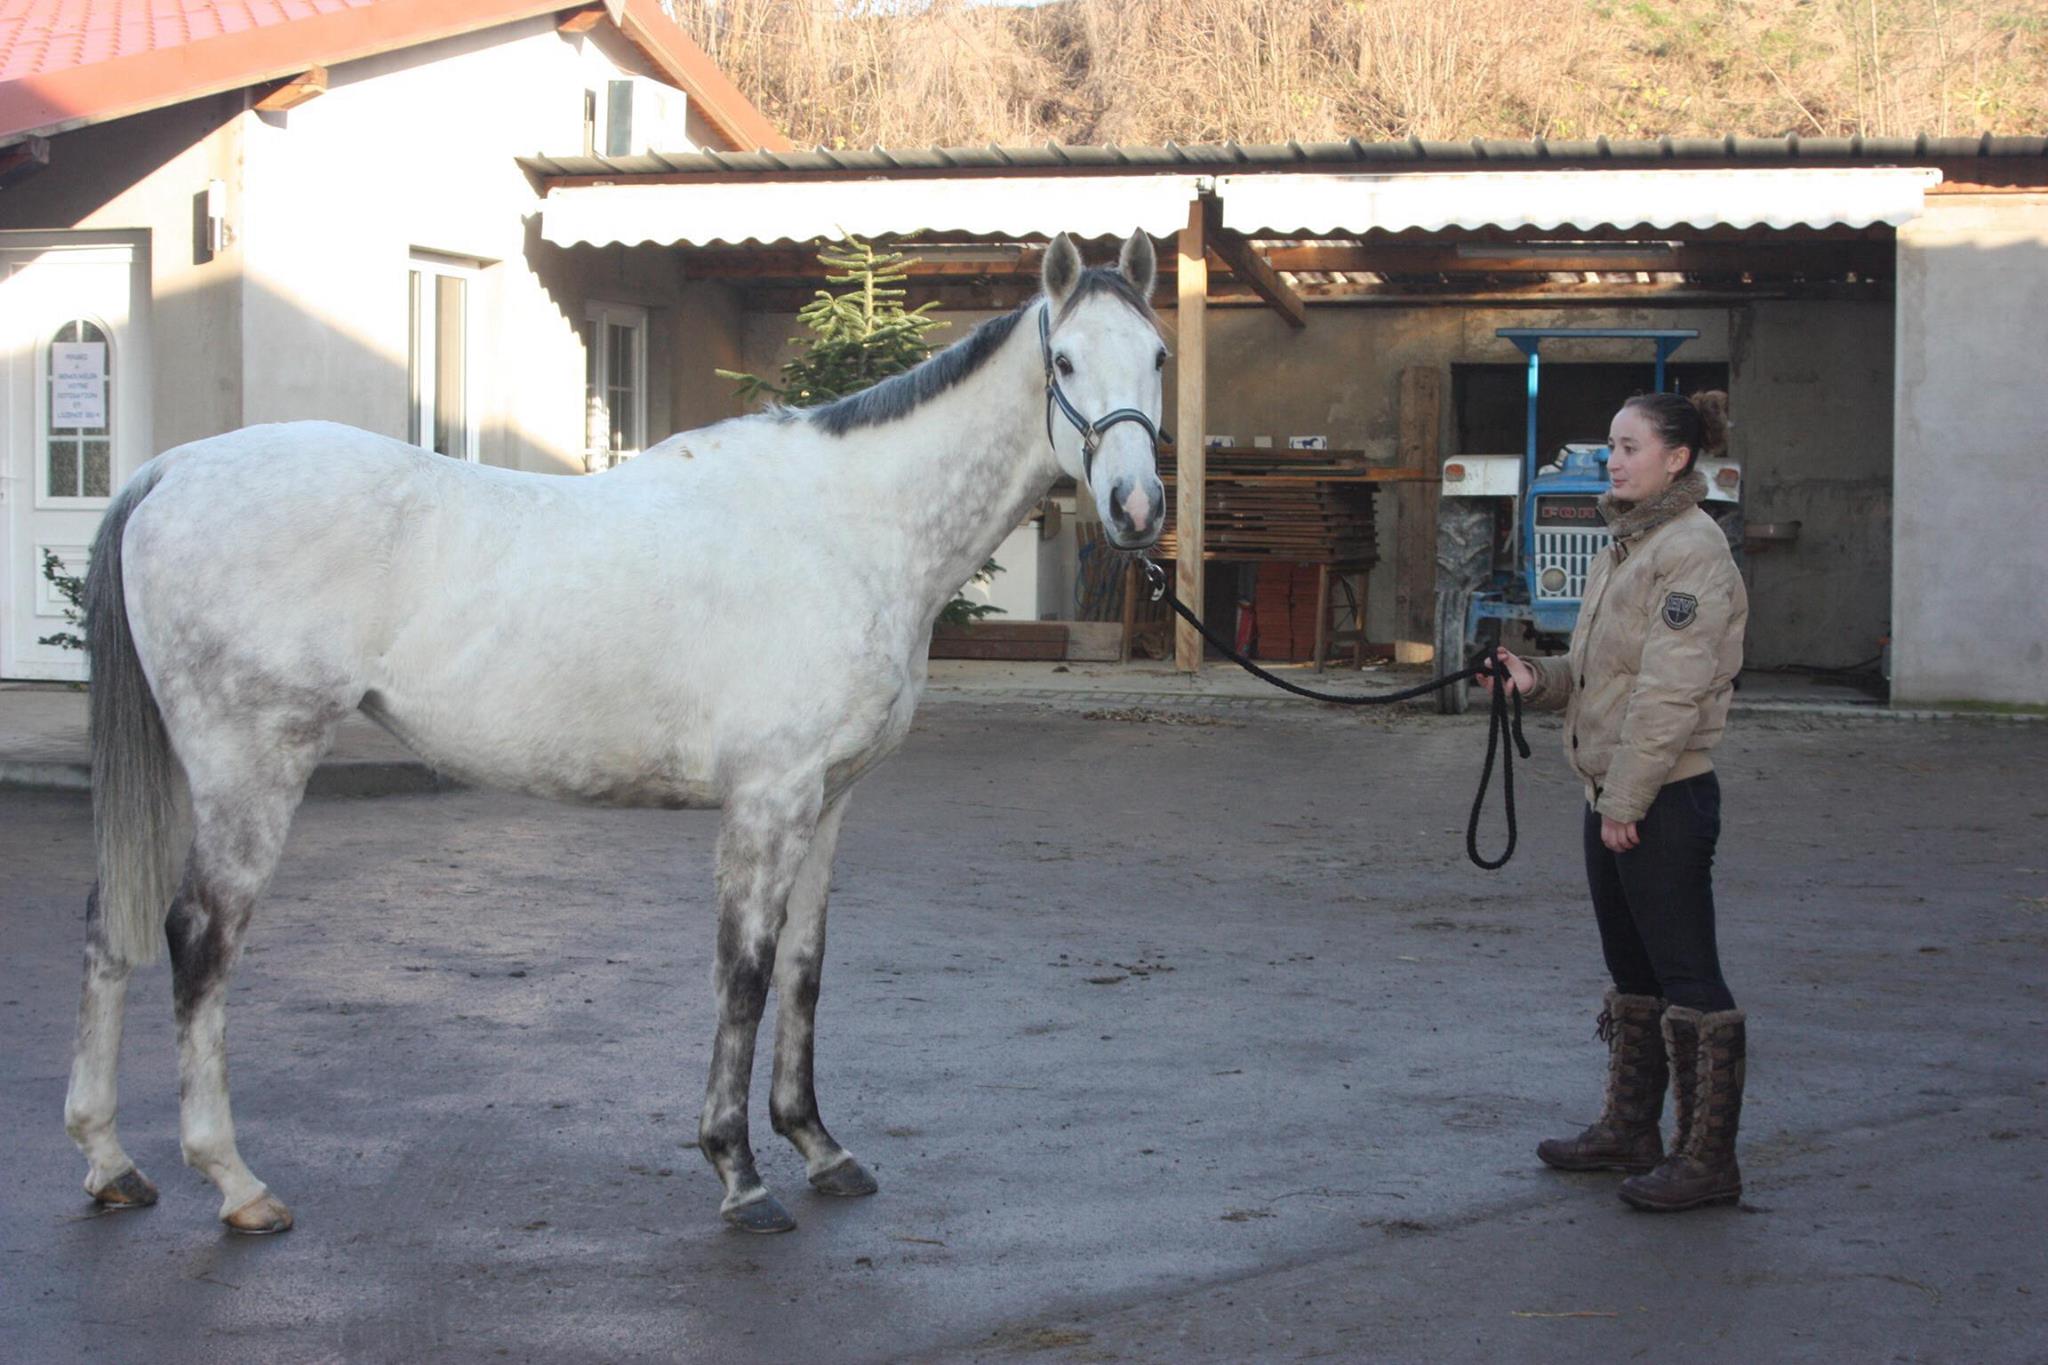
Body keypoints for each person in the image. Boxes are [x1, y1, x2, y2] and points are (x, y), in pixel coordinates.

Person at [1483, 389, 1749, 1212]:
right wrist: (1536, 679)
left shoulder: (1692, 553)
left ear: (1677, 459)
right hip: (1616, 793)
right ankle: (1632, 1131)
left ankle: (1707, 1161)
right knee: (1632, 974)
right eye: (1611, 445)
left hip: (1661, 797)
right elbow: (1600, 675)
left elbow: (1670, 696)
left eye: (1629, 446)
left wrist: (1627, 802)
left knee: (1687, 977)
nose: (1614, 460)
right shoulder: (1624, 546)